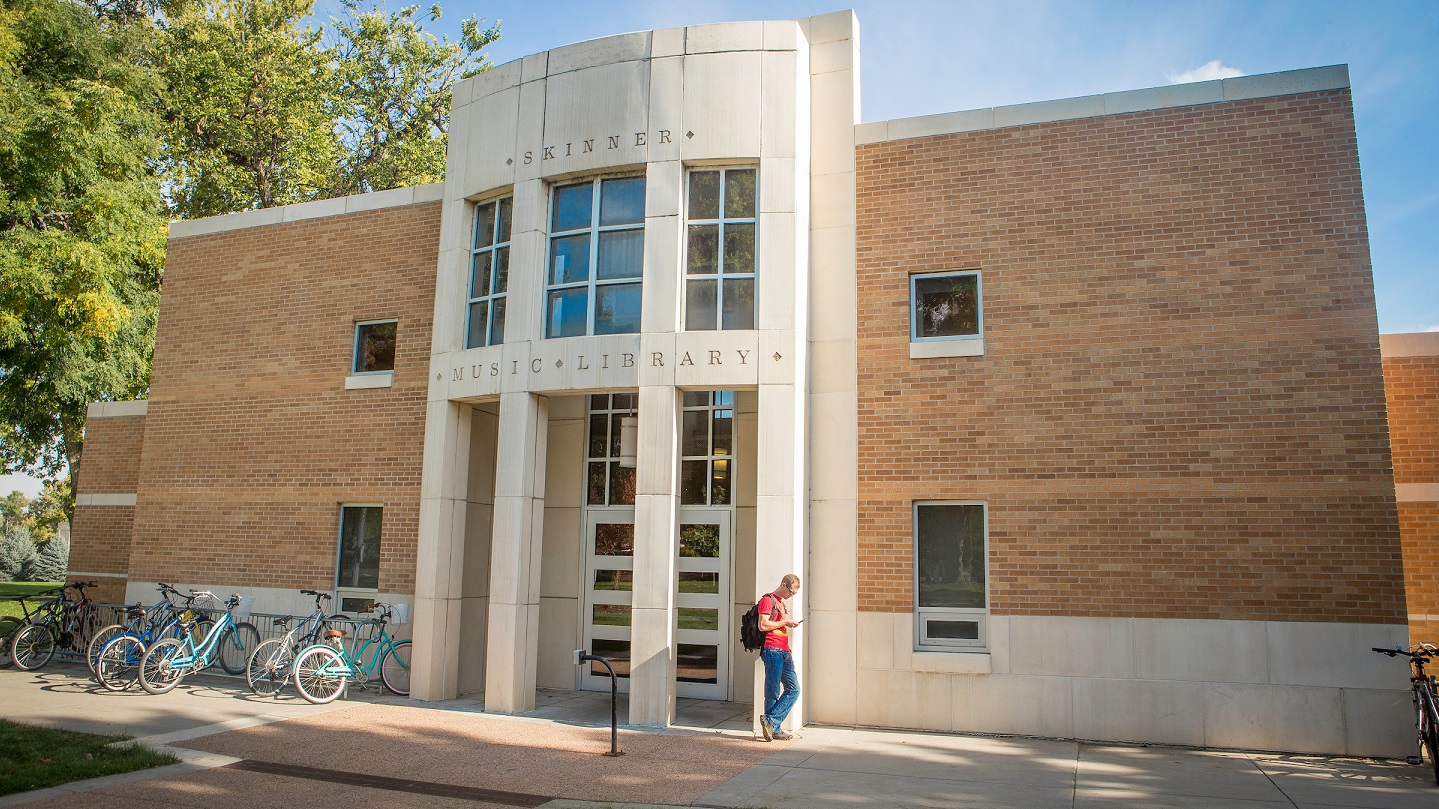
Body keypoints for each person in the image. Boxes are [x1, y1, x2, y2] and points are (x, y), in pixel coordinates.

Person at [757, 573, 801, 741]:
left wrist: (788, 622)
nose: (791, 595)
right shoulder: (768, 600)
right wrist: (785, 622)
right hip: (772, 650)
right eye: (791, 591)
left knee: (793, 689)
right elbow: (763, 625)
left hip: (784, 651)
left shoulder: (781, 604)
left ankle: (771, 721)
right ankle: (774, 728)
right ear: (783, 584)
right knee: (772, 691)